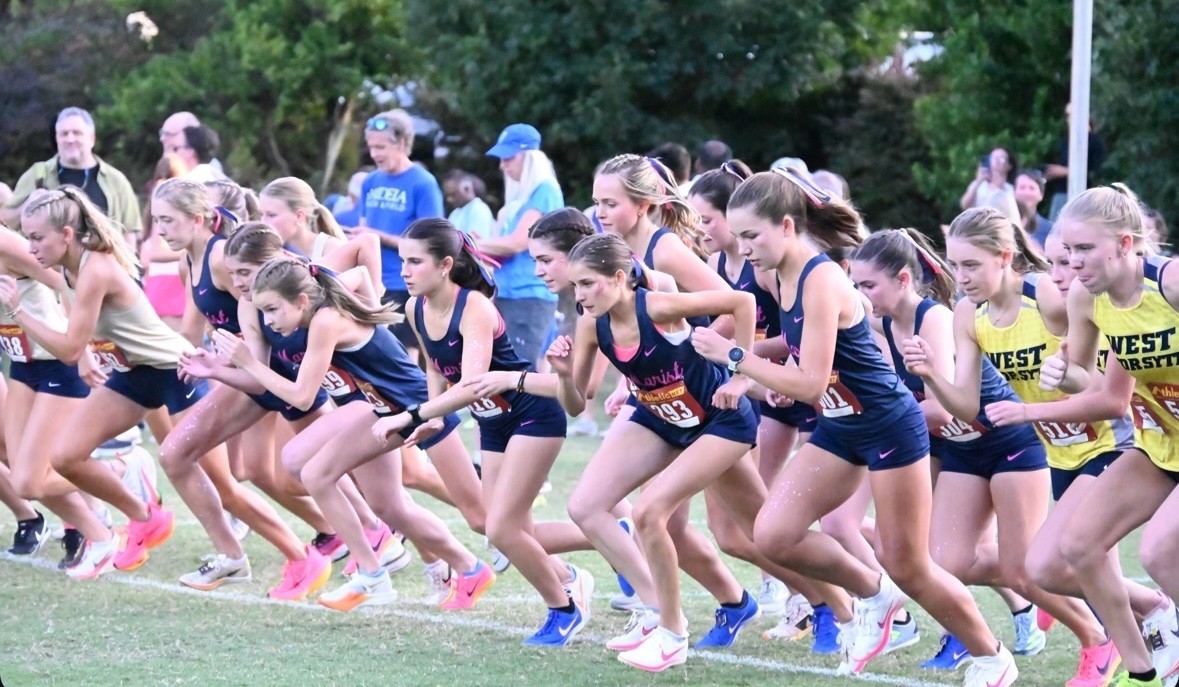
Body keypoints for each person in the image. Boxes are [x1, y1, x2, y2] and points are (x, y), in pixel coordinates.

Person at [691, 168, 1016, 686]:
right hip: (841, 428)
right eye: (740, 235)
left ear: (788, 226)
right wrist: (743, 351)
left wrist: (735, 357)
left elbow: (810, 384)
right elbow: (794, 346)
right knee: (772, 535)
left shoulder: (822, 278)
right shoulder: (775, 274)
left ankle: (993, 656)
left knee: (911, 565)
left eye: (753, 235)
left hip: (888, 425)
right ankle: (876, 595)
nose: (744, 246)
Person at [861, 223, 1111, 686]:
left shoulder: (1045, 297)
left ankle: (1098, 635)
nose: (962, 275)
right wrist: (931, 374)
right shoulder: (964, 311)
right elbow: (965, 406)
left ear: (1004, 257)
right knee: (948, 561)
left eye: (972, 264)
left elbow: (1095, 365)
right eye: (956, 265)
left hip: (1017, 440)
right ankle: (1061, 594)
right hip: (967, 446)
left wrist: (1069, 374)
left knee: (1025, 569)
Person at [212, 257, 494, 612]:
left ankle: (560, 569)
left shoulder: (326, 320)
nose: (267, 321)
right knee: (384, 503)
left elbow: (301, 396)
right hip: (384, 410)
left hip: (420, 409)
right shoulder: (317, 306)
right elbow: (357, 277)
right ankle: (467, 568)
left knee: (485, 519)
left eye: (272, 310)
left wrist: (249, 362)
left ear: (301, 300)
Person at [990, 185, 1179, 687]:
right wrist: (1056, 379)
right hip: (1161, 445)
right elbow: (1108, 396)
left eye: (1084, 250)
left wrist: (1026, 408)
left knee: (1160, 551)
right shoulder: (1089, 298)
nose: (1072, 263)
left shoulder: (1170, 284)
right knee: (1073, 548)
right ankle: (1145, 671)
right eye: (1066, 251)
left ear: (1125, 244)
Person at [379, 218, 593, 645]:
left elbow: (473, 382)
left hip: (532, 412)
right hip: (492, 421)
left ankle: (563, 608)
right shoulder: (414, 307)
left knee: (502, 528)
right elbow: (436, 364)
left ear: (444, 265)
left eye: (414, 262)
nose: (404, 270)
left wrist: (414, 415)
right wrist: (435, 414)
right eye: (402, 260)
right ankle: (588, 558)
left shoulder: (474, 306)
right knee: (493, 525)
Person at [555, 232, 761, 671]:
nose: (580, 295)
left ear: (618, 278)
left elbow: (741, 303)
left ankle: (671, 634)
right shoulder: (592, 323)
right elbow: (578, 403)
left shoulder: (658, 306)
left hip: (720, 420)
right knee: (586, 506)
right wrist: (560, 376)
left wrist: (740, 374)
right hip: (663, 419)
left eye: (589, 283)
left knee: (762, 534)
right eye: (575, 285)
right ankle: (659, 614)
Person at [3, 187, 212, 579]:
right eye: (27, 236)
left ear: (66, 235)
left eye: (35, 237)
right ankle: (134, 509)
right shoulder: (69, 264)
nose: (29, 246)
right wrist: (84, 350)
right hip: (122, 371)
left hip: (173, 366)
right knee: (43, 470)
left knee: (228, 473)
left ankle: (251, 555)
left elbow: (66, 343)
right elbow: (70, 304)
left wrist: (23, 314)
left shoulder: (92, 267)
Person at [148, 179, 337, 597]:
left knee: (186, 456)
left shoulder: (219, 255)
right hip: (247, 372)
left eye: (167, 220)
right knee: (244, 469)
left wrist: (238, 363)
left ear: (198, 219)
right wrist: (195, 357)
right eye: (155, 220)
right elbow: (193, 327)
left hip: (264, 372)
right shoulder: (190, 260)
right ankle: (280, 555)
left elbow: (267, 296)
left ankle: (293, 555)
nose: (159, 229)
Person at [0, 217, 110, 569]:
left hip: (56, 362)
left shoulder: (7, 244)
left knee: (31, 478)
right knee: (25, 480)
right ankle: (101, 539)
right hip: (21, 363)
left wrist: (84, 350)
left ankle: (117, 470)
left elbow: (67, 285)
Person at [354, 109, 444, 353]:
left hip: (405, 281)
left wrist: (378, 236)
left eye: (381, 147)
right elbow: (365, 229)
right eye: (371, 147)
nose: (374, 154)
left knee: (403, 350)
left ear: (402, 143)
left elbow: (433, 239)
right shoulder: (370, 181)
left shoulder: (423, 183)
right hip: (370, 280)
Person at [478, 123, 563, 365]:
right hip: (509, 293)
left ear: (529, 158)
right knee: (509, 367)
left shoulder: (544, 191)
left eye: (508, 158)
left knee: (521, 370)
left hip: (529, 295)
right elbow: (504, 249)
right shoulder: (520, 199)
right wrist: (484, 246)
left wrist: (474, 243)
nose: (502, 165)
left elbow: (517, 243)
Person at [1, 108, 140, 240]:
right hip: (47, 265)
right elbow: (5, 224)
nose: (70, 139)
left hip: (104, 263)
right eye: (64, 134)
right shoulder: (37, 175)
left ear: (92, 138)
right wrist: (26, 206)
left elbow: (130, 233)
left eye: (77, 133)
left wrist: (125, 264)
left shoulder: (116, 180)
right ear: (57, 139)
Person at [961, 147, 1017, 213]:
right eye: (994, 157)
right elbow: (964, 206)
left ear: (1009, 166)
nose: (997, 160)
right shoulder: (979, 185)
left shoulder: (1010, 189)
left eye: (1002, 157)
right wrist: (978, 182)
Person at [443, 170, 494, 239]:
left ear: (466, 188)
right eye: (448, 195)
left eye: (453, 194)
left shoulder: (479, 210)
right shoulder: (455, 213)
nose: (449, 199)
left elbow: (475, 244)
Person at [1015, 170, 1054, 248]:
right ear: (1014, 192)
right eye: (1022, 187)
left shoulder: (1050, 229)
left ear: (1041, 195)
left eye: (1032, 188)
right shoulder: (1004, 225)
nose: (1026, 192)